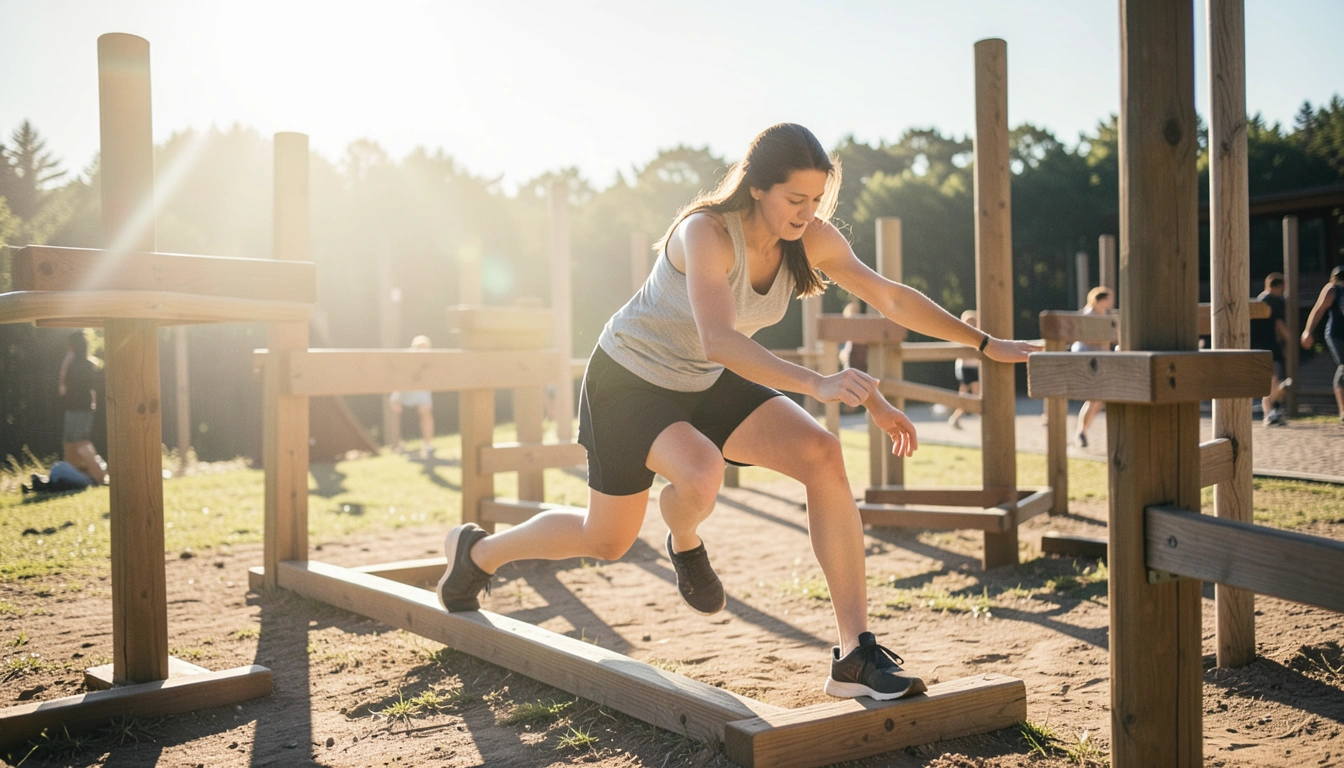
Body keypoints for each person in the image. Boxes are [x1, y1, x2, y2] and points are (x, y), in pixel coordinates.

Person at [435, 124, 1037, 701]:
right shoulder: (706, 234)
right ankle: (480, 553)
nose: (807, 213)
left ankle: (854, 652)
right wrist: (816, 382)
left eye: (818, 199)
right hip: (629, 380)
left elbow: (890, 295)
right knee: (613, 535)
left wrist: (984, 343)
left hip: (704, 377)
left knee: (821, 454)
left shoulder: (812, 240)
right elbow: (720, 337)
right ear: (756, 187)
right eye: (794, 199)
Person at [57, 330, 107, 485]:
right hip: (81, 408)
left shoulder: (77, 365)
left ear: (72, 346)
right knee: (70, 446)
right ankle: (83, 478)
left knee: (80, 444)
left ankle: (100, 477)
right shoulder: (90, 364)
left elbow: (62, 388)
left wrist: (66, 360)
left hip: (79, 409)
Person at [1071, 287, 1114, 448]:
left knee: (1097, 401)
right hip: (1088, 361)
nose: (1111, 302)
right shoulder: (1088, 315)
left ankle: (1081, 432)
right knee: (1094, 399)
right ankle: (1080, 432)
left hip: (1098, 360)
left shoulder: (1102, 315)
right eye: (1108, 298)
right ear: (1099, 300)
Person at [1301, 265, 1344, 422]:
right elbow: (1318, 310)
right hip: (1336, 334)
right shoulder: (1332, 290)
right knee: (1343, 366)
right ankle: (1342, 410)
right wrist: (1308, 331)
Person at [1250, 272, 1291, 425]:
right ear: (1279, 286)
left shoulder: (1261, 299)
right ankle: (1271, 412)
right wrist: (1291, 340)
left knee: (1271, 380)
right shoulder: (1273, 301)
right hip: (1269, 345)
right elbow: (1279, 325)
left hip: (1258, 345)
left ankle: (1270, 412)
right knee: (1274, 380)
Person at [389, 335, 436, 458]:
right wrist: (395, 398)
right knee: (398, 415)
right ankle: (399, 443)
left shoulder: (431, 360)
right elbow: (400, 379)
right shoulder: (406, 359)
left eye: (426, 348)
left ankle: (428, 445)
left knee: (426, 413)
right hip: (406, 390)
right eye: (420, 347)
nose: (423, 350)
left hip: (422, 391)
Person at [948, 310, 980, 429]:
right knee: (971, 393)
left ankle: (955, 418)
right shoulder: (961, 334)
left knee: (970, 394)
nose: (971, 323)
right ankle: (983, 418)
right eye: (968, 321)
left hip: (974, 367)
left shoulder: (978, 334)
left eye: (973, 321)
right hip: (965, 368)